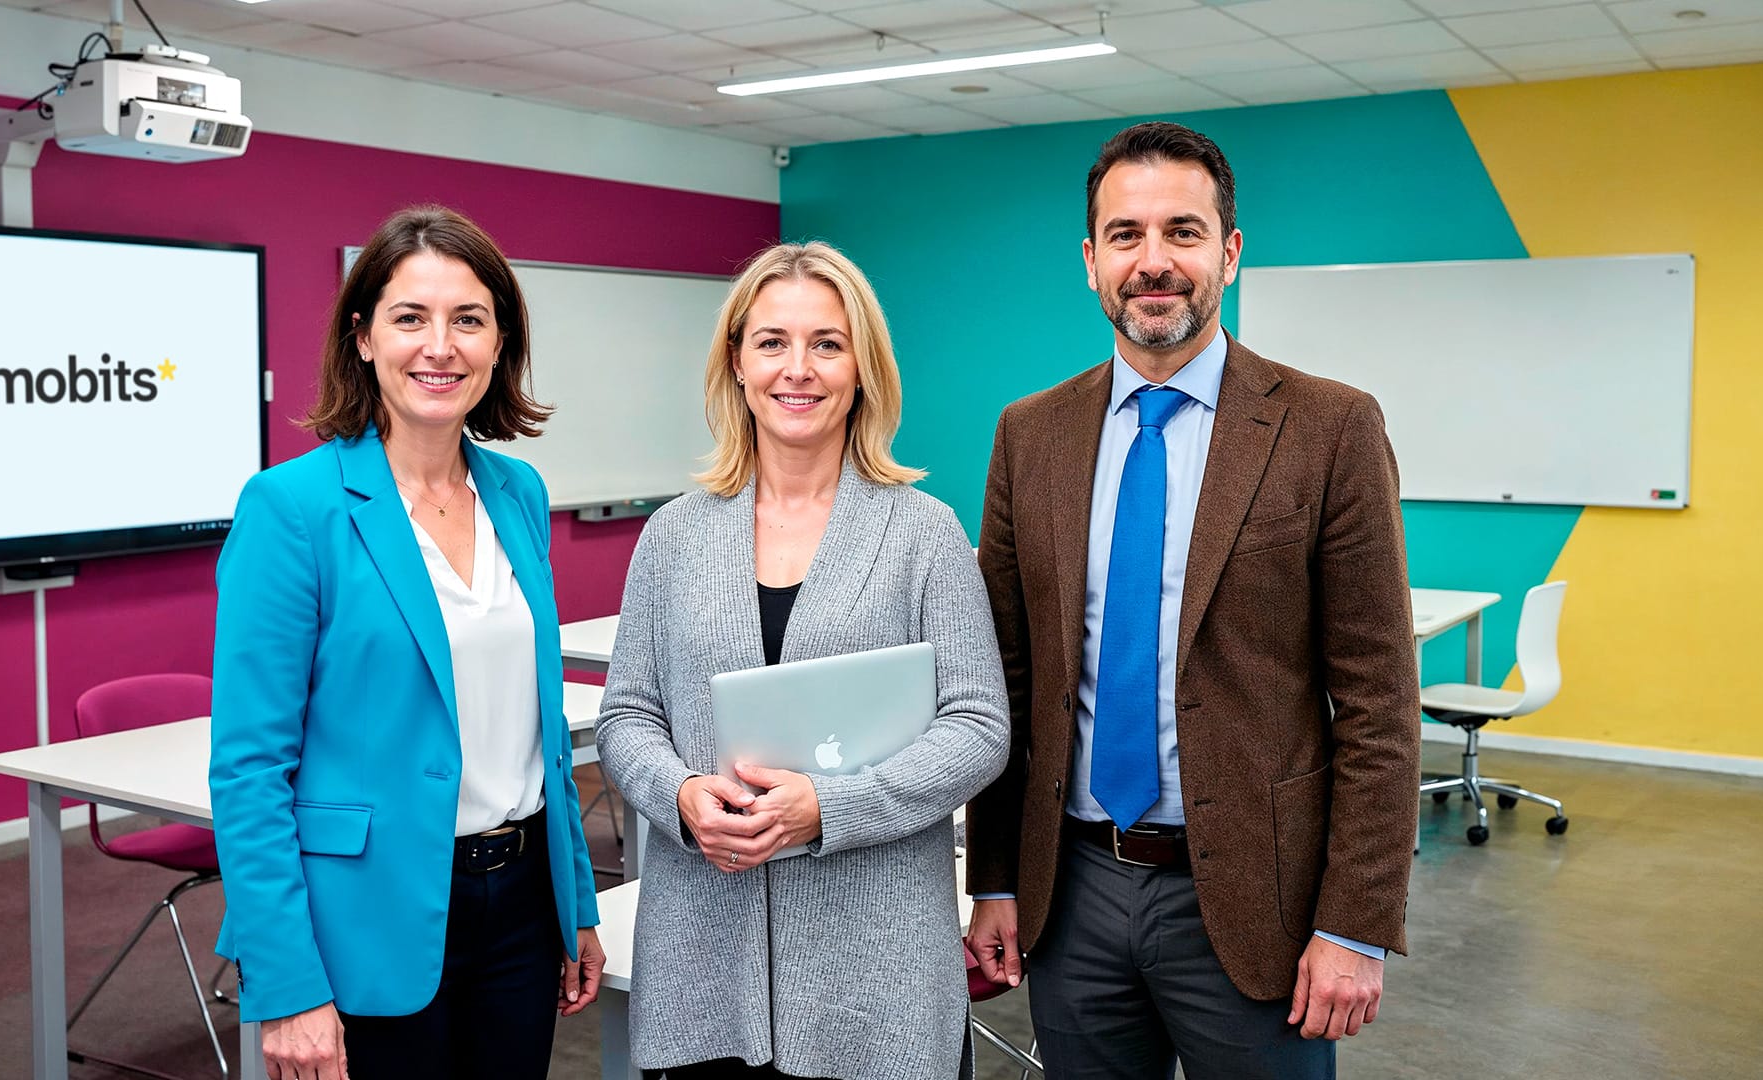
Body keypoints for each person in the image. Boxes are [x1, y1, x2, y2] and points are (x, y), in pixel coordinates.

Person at [964, 121, 1421, 1079]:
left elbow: (1379, 704)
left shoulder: (1329, 427)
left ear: (1231, 252)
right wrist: (994, 880)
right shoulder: (1030, 435)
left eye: (1183, 230)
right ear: (1091, 261)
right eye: (1125, 235)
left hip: (1262, 903)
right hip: (1073, 891)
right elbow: (1009, 682)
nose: (1153, 261)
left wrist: (1355, 924)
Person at [594, 241, 1009, 1080]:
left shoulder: (922, 531)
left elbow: (979, 726)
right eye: (772, 342)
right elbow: (627, 714)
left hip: (876, 970)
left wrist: (833, 805)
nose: (800, 369)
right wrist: (678, 795)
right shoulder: (674, 534)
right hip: (702, 962)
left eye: (828, 342)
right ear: (738, 364)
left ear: (863, 367)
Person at [209, 205, 603, 1080]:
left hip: (522, 902)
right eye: (410, 318)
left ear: (500, 344)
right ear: (362, 338)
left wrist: (575, 901)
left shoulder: (518, 493)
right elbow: (247, 771)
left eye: (469, 320)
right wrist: (287, 985)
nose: (441, 346)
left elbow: (539, 724)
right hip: (364, 914)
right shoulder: (293, 508)